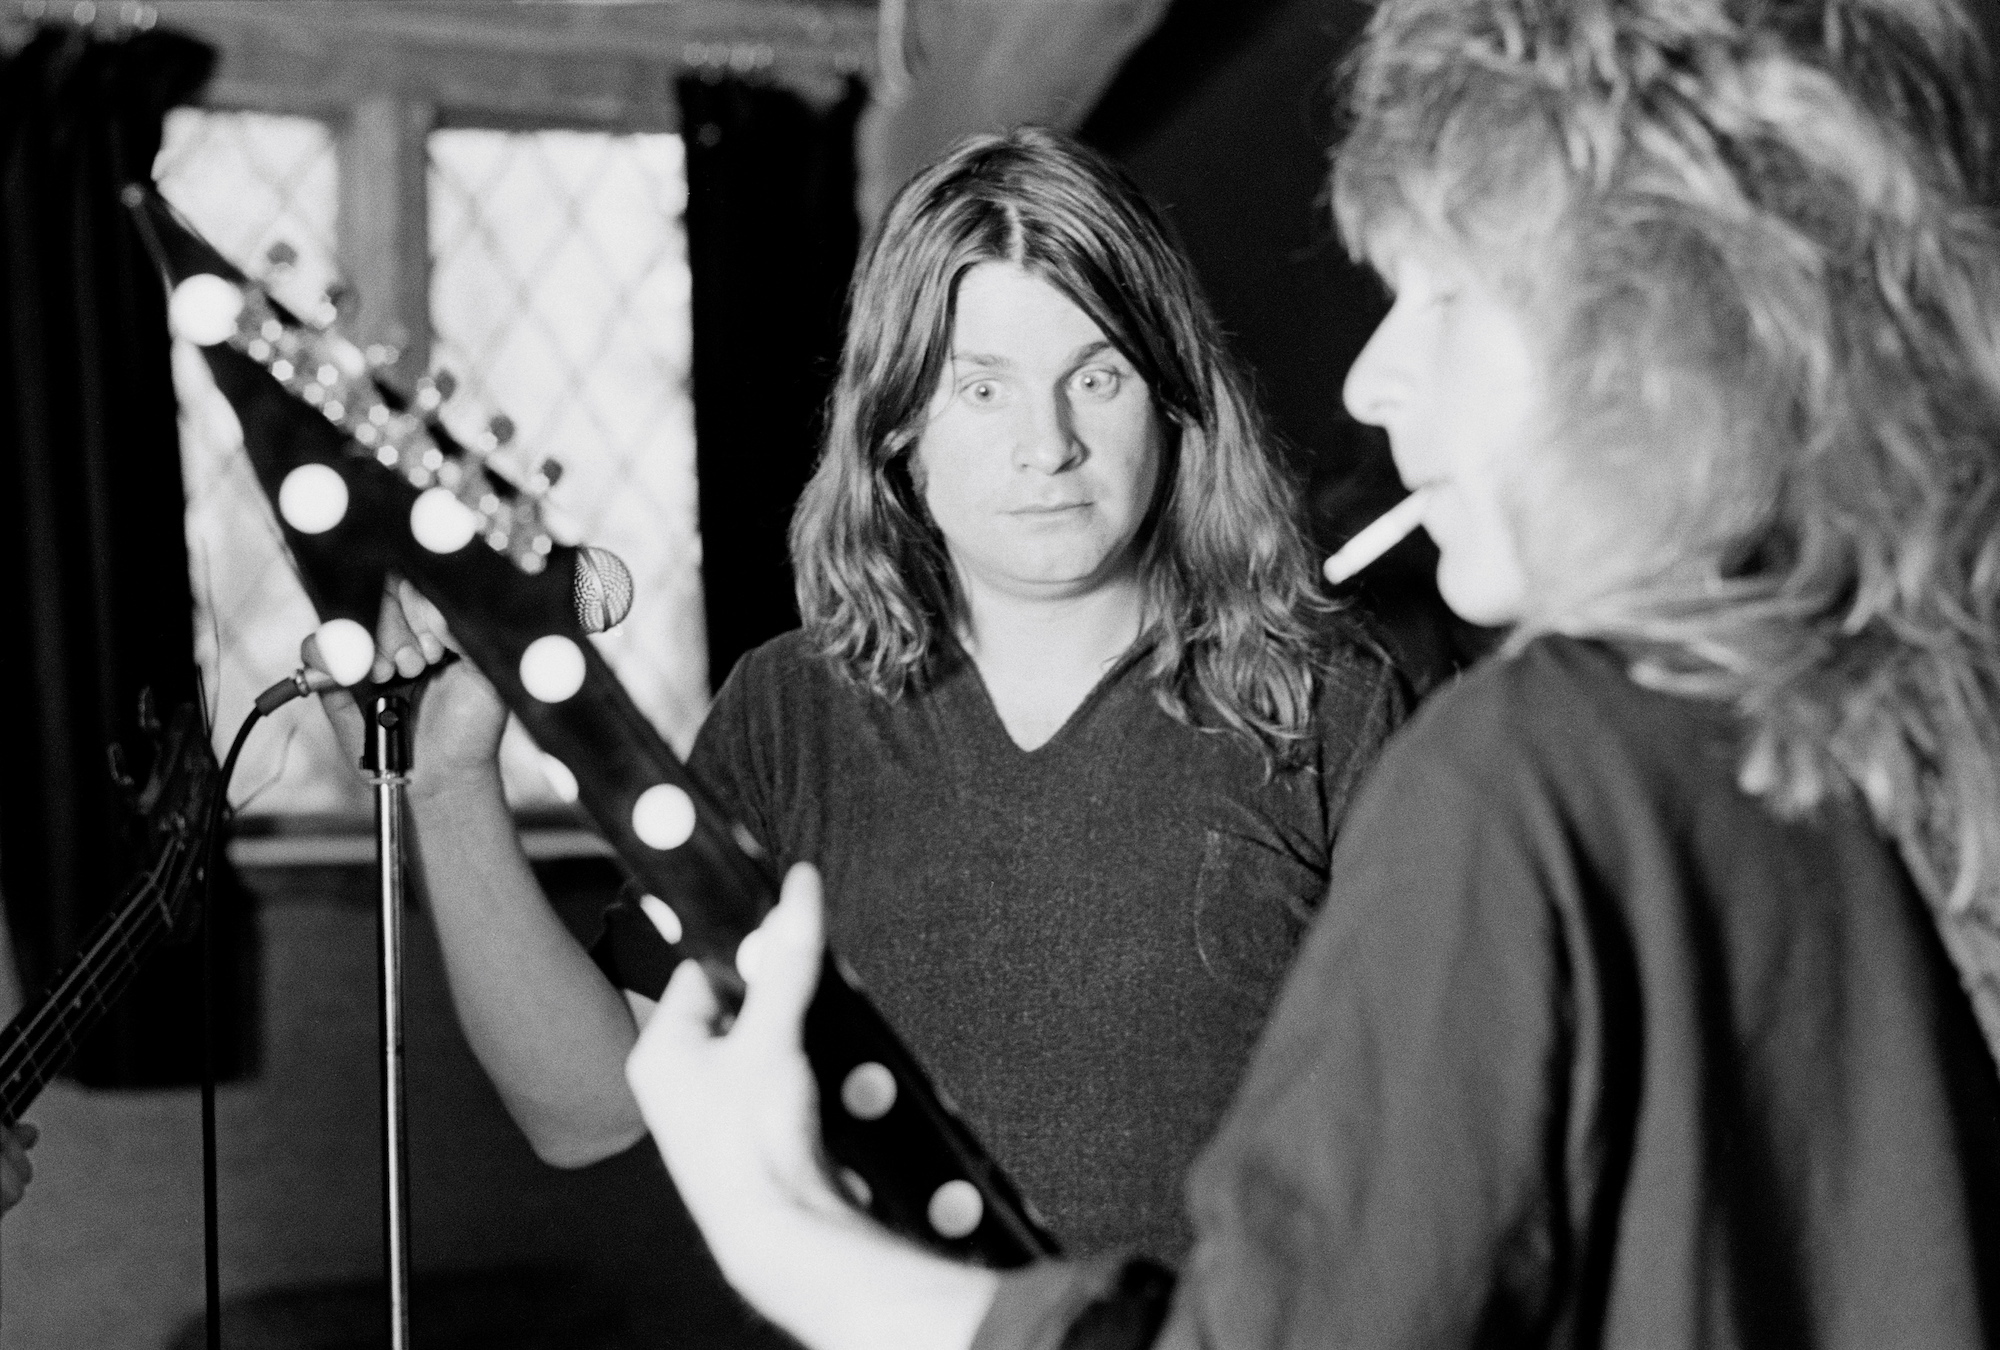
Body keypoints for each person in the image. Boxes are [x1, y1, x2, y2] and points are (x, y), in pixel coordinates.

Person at [625, 0, 2000, 1346]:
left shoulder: (1519, 768)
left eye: (1438, 298)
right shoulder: (1834, 737)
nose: (1370, 381)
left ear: (1651, 336)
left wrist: (792, 1244)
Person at [312, 128, 1404, 1255]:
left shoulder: (1329, 703)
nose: (1050, 444)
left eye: (1097, 374)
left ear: (1174, 402)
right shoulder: (791, 715)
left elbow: (1450, 1137)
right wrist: (446, 785)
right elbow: (582, 1113)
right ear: (900, 433)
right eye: (982, 387)